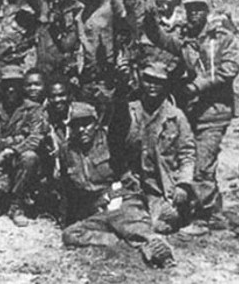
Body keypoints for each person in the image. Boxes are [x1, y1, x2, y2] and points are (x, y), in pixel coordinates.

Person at [144, 0, 239, 229]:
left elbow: (230, 68)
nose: (194, 14)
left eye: (199, 9)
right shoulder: (186, 41)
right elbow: (162, 39)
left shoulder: (222, 38)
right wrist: (149, 22)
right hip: (193, 112)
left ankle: (206, 218)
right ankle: (210, 209)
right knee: (194, 159)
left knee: (202, 164)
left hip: (215, 111)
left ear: (206, 12)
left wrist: (198, 86)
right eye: (190, 10)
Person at [58, 102, 175, 268]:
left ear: (96, 123)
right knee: (70, 234)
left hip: (122, 200)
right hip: (99, 210)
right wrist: (68, 219)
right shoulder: (67, 151)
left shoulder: (112, 140)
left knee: (128, 220)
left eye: (86, 123)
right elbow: (67, 189)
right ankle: (122, 240)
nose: (82, 129)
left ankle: (156, 245)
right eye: (76, 125)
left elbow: (122, 120)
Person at [116, 62, 197, 234]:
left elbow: (188, 154)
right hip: (135, 183)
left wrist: (183, 184)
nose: (152, 86)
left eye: (158, 82)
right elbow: (116, 145)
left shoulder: (176, 117)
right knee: (122, 218)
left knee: (161, 222)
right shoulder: (130, 110)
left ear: (166, 85)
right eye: (148, 80)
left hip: (162, 187)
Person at [0, 67, 48, 225]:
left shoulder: (33, 109)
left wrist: (11, 150)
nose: (11, 89)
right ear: (1, 87)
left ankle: (17, 205)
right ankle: (0, 193)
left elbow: (35, 138)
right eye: (7, 85)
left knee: (29, 157)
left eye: (15, 85)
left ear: (22, 87)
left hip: (21, 165)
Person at [73, 0, 125, 123]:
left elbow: (121, 14)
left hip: (106, 78)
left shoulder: (111, 7)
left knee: (107, 122)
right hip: (85, 77)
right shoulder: (83, 9)